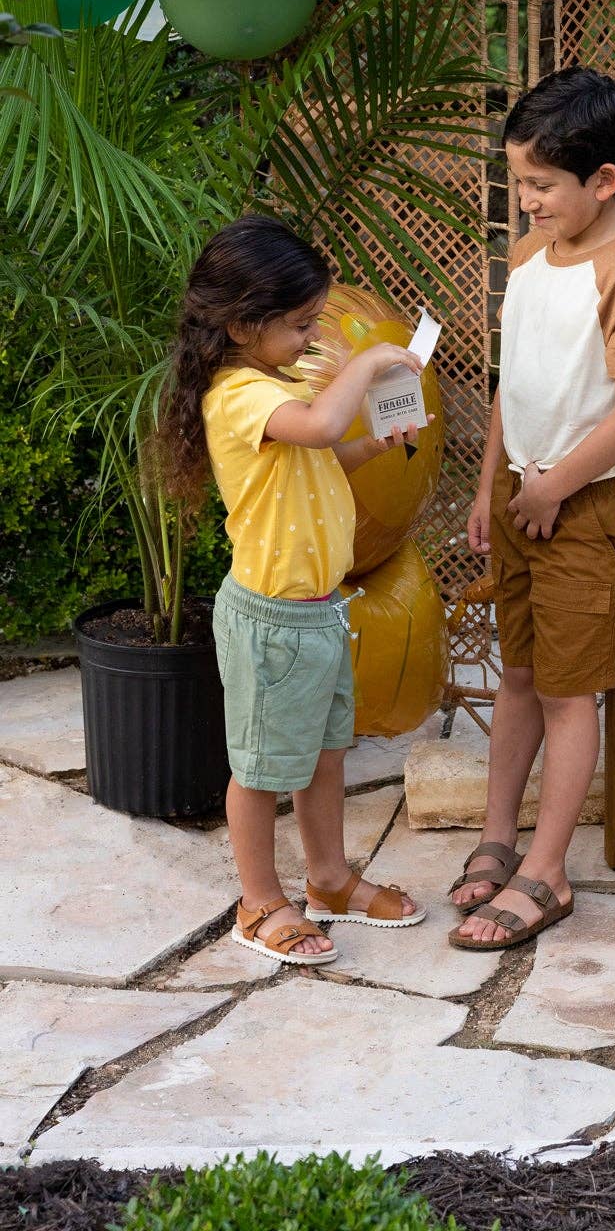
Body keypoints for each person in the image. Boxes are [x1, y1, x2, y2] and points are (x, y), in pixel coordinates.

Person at [159, 215, 427, 966]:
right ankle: (258, 902)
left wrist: (373, 443)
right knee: (259, 770)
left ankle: (331, 880)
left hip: (318, 614)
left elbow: (320, 453)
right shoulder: (237, 394)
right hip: (271, 622)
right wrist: (368, 360)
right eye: (303, 324)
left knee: (325, 756)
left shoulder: (272, 385)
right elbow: (314, 425)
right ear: (244, 323)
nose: (314, 338)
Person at [450, 67, 615, 952]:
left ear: (604, 182)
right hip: (523, 495)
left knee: (566, 687)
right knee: (516, 671)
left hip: (587, 506)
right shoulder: (529, 259)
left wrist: (553, 486)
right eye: (520, 182)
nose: (527, 202)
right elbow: (518, 381)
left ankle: (547, 872)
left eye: (542, 186)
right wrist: (491, 484)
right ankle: (498, 838)